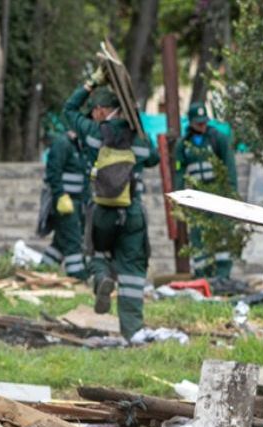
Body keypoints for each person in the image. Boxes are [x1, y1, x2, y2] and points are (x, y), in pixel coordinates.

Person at [63, 70, 159, 340]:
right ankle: (133, 332)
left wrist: (91, 82)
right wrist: (137, 123)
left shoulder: (94, 133)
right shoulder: (138, 138)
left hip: (102, 210)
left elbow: (68, 109)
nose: (93, 114)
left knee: (96, 253)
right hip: (132, 213)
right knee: (132, 271)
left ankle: (102, 279)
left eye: (95, 109)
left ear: (105, 110)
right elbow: (152, 159)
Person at [172, 101, 240, 279]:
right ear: (191, 123)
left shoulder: (218, 139)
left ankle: (223, 275)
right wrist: (178, 199)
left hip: (218, 195)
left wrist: (231, 194)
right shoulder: (183, 145)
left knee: (222, 236)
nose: (202, 126)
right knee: (198, 237)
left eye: (204, 122)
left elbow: (230, 168)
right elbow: (179, 172)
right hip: (196, 198)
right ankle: (203, 275)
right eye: (198, 122)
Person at [41, 126, 90, 281]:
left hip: (77, 202)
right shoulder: (62, 144)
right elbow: (53, 172)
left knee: (60, 242)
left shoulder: (79, 147)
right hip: (65, 203)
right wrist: (60, 195)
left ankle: (43, 268)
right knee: (73, 240)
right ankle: (77, 275)